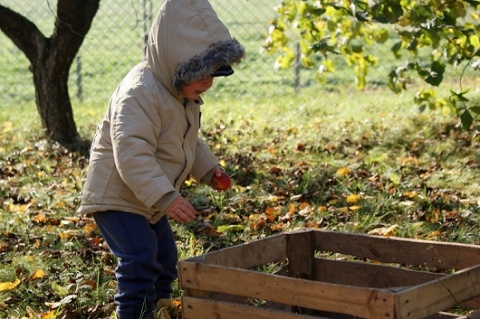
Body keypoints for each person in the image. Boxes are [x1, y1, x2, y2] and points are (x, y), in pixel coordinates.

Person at [77, 0, 245, 318]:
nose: (208, 83)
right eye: (202, 75)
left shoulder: (182, 94)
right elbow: (132, 154)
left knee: (166, 258)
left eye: (214, 75)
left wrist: (209, 170)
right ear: (176, 63)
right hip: (118, 197)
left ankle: (160, 306)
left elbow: (186, 143)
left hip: (149, 198)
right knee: (141, 257)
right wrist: (167, 197)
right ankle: (134, 312)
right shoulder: (139, 94)